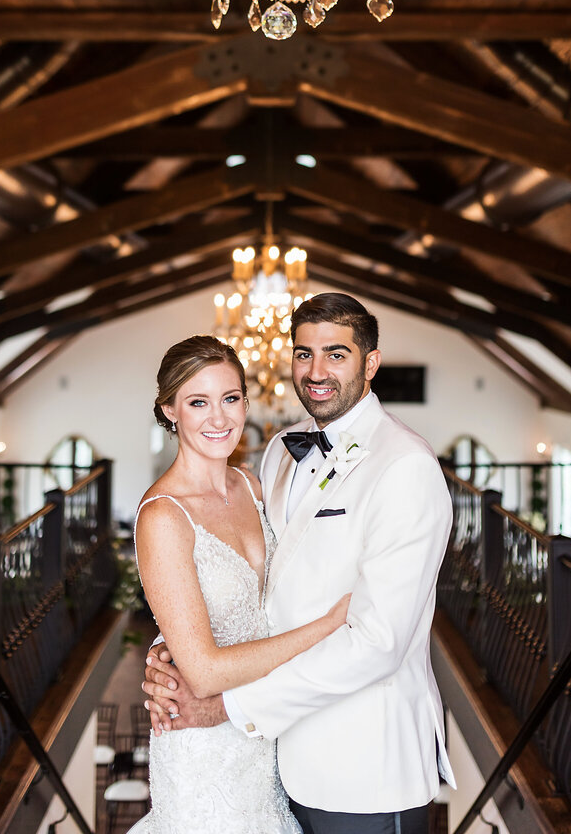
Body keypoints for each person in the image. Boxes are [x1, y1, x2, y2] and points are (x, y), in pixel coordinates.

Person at [143, 293, 455, 834]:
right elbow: (260, 590)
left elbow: (378, 644)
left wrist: (230, 706)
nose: (317, 371)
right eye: (303, 354)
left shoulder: (407, 467)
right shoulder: (282, 453)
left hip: (364, 771)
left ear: (370, 363)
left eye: (336, 354)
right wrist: (171, 647)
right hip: (279, 763)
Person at [132, 334, 351, 833]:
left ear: (247, 402)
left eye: (230, 398)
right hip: (202, 748)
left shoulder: (253, 486)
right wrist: (329, 625)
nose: (219, 418)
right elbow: (204, 674)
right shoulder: (163, 516)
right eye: (197, 402)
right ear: (169, 410)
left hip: (265, 734)